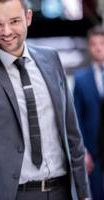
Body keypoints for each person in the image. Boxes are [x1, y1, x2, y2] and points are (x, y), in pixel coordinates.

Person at [0, 0, 91, 200]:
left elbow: (71, 133)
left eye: (14, 21)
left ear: (28, 17)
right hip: (10, 193)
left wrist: (83, 193)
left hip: (62, 191)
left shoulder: (50, 59)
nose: (6, 31)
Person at [74, 25, 104, 200]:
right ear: (89, 47)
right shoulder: (81, 78)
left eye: (102, 43)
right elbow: (76, 118)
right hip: (93, 150)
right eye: (93, 43)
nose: (98, 47)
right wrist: (82, 150)